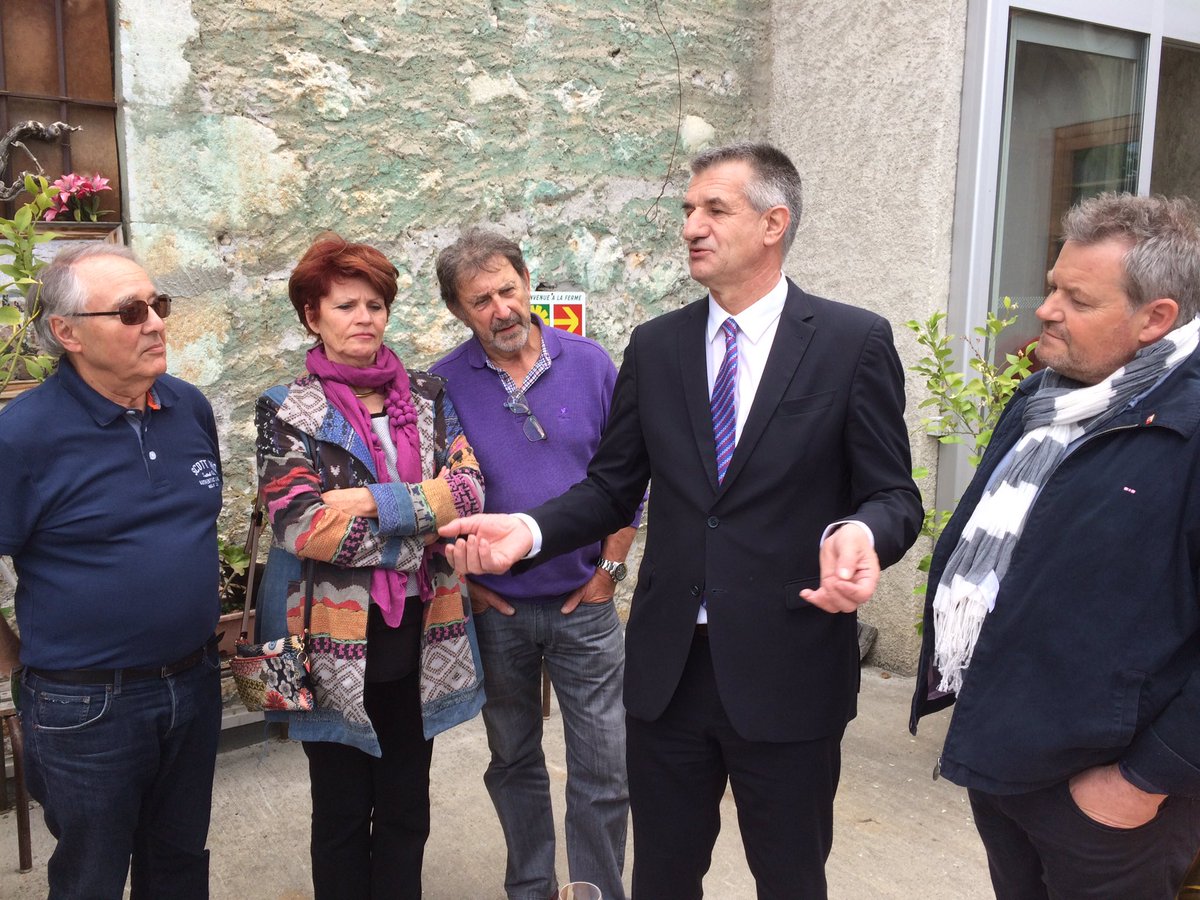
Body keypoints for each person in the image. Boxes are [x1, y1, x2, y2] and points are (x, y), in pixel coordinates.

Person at [440, 143, 923, 898]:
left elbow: (893, 495)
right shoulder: (657, 345)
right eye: (689, 209)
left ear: (773, 224)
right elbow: (611, 488)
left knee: (790, 878)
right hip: (669, 672)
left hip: (788, 666)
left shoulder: (850, 341)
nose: (692, 225)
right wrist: (527, 532)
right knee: (663, 877)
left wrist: (859, 533)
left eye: (714, 209)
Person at [910, 193, 1200, 899]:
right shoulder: (1047, 395)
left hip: (1112, 800)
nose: (1046, 310)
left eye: (1078, 299)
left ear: (1155, 319)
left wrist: (1142, 781)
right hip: (1006, 757)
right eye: (1052, 287)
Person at [254, 235, 485, 900]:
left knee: (408, 805)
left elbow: (471, 492)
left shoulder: (429, 396)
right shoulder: (286, 407)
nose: (364, 318)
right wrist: (423, 529)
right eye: (346, 305)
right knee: (340, 810)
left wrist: (372, 502)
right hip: (326, 638)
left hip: (423, 631)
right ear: (312, 316)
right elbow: (301, 523)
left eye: (375, 305)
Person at [0, 244, 223, 898]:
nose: (154, 323)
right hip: (86, 707)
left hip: (194, 682)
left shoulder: (189, 407)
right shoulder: (23, 436)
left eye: (158, 305)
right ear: (67, 332)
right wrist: (14, 663)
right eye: (130, 312)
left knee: (180, 866)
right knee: (91, 878)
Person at [431, 228, 637, 900]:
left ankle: (595, 889)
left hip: (587, 604)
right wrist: (467, 585)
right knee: (513, 760)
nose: (501, 310)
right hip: (499, 612)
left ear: (527, 283)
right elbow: (434, 492)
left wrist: (610, 572)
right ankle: (530, 888)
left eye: (508, 290)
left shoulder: (592, 364)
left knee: (605, 766)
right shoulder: (442, 385)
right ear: (459, 310)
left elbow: (630, 478)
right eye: (481, 300)